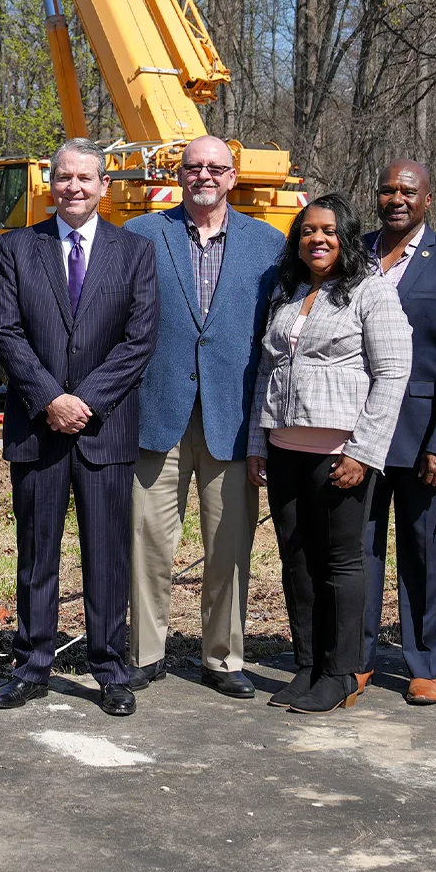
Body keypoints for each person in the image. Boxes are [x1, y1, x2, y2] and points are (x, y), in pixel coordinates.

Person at [0, 138, 159, 717]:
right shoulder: (16, 249)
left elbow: (139, 342)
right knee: (37, 554)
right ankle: (32, 663)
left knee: (107, 554)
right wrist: (49, 399)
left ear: (104, 186)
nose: (74, 188)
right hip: (38, 428)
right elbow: (5, 331)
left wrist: (83, 401)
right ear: (50, 184)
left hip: (103, 430)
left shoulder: (134, 253)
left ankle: (110, 668)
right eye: (63, 178)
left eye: (85, 178)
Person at [122, 136, 287, 699]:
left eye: (216, 168)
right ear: (180, 173)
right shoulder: (143, 235)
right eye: (194, 167)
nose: (205, 176)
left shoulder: (269, 245)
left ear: (233, 176)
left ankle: (223, 656)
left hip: (233, 418)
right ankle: (145, 652)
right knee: (148, 542)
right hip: (156, 412)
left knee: (229, 546)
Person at [247, 195, 412, 714]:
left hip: (340, 452)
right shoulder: (289, 292)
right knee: (296, 561)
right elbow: (266, 372)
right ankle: (307, 665)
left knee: (340, 563)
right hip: (284, 448)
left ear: (346, 237)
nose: (317, 240)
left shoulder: (371, 292)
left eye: (329, 231)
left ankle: (341, 672)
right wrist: (258, 443)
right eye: (308, 231)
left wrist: (363, 451)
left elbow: (391, 375)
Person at [358, 159, 436, 706]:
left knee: (423, 551)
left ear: (428, 199)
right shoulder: (350, 251)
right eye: (387, 190)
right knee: (356, 550)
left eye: (408, 191)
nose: (396, 199)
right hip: (355, 432)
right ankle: (354, 658)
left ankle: (425, 663)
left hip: (420, 436)